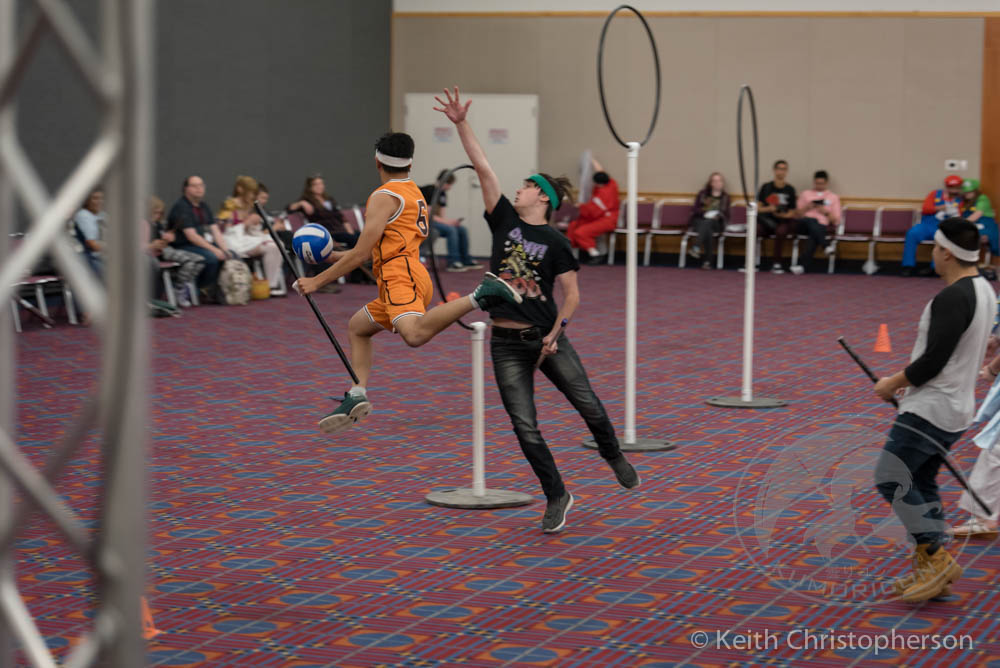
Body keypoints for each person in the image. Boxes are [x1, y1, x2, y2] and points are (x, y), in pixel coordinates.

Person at [435, 86, 639, 534]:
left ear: (543, 197)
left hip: (547, 339)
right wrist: (461, 124)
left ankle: (611, 453)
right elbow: (483, 167)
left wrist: (556, 332)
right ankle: (556, 494)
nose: (519, 189)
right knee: (524, 427)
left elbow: (572, 296)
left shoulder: (557, 242)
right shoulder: (504, 220)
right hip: (505, 342)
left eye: (527, 186)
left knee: (588, 406)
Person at [292, 130, 523, 435]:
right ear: (410, 164)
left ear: (377, 162)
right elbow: (374, 249)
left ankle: (480, 294)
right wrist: (333, 256)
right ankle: (357, 394)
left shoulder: (383, 196)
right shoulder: (413, 192)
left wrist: (316, 281)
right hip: (410, 275)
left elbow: (361, 252)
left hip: (399, 277)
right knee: (358, 327)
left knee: (413, 335)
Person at [872, 217, 997, 602]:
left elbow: (933, 361)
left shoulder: (952, 297)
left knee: (891, 478)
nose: (932, 253)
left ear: (946, 253)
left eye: (935, 247)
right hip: (956, 407)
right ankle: (930, 566)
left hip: (932, 408)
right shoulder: (984, 288)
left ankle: (937, 559)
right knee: (921, 481)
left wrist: (892, 382)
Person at [217, 175, 285, 296]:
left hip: (247, 240)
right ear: (240, 189)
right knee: (271, 245)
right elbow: (223, 230)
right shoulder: (229, 205)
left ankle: (271, 285)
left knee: (276, 245)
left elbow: (252, 231)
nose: (253, 196)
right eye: (251, 192)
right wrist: (245, 224)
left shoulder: (250, 206)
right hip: (232, 242)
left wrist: (254, 224)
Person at [167, 175, 231, 299]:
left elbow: (215, 230)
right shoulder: (182, 207)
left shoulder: (203, 206)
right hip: (182, 245)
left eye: (201, 185)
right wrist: (215, 250)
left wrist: (224, 249)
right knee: (212, 258)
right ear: (186, 189)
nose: (199, 188)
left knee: (228, 255)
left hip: (198, 245)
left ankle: (210, 290)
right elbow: (191, 236)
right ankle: (198, 289)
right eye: (194, 186)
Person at [145, 196, 205, 307]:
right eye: (155, 213)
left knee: (200, 260)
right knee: (188, 262)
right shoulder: (144, 224)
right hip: (158, 253)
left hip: (166, 249)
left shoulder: (158, 225)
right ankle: (179, 287)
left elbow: (162, 239)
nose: (158, 216)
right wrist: (152, 245)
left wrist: (167, 239)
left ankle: (184, 282)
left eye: (160, 213)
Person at [419, 170, 482, 272]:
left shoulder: (443, 194)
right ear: (442, 181)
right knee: (451, 229)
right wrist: (449, 223)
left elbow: (441, 216)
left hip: (436, 222)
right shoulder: (429, 191)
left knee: (462, 229)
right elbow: (428, 215)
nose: (449, 187)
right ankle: (453, 262)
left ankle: (465, 259)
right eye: (448, 184)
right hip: (425, 222)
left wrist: (451, 222)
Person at [901, 175, 964, 277]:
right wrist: (941, 208)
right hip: (927, 224)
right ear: (946, 186)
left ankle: (934, 268)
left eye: (956, 187)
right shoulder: (935, 194)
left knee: (944, 238)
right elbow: (925, 209)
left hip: (945, 226)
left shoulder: (961, 200)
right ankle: (908, 265)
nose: (953, 190)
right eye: (951, 187)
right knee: (912, 233)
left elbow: (960, 216)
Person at [566, 158, 619, 265]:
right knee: (574, 225)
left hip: (606, 220)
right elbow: (601, 171)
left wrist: (580, 206)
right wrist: (591, 159)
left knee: (581, 232)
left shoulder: (600, 195)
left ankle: (595, 254)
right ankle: (569, 253)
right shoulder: (612, 185)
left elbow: (593, 211)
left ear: (597, 183)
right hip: (604, 217)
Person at [791, 170, 841, 274]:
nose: (819, 186)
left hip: (821, 226)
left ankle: (802, 266)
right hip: (803, 225)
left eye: (821, 183)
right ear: (814, 182)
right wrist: (807, 207)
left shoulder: (833, 197)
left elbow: (836, 220)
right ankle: (825, 245)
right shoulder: (805, 194)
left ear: (826, 183)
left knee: (814, 234)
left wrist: (825, 212)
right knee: (812, 221)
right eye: (817, 183)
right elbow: (796, 215)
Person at [756, 160, 798, 274]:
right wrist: (769, 209)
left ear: (787, 171)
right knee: (755, 229)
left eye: (784, 169)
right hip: (766, 221)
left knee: (781, 231)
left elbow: (792, 212)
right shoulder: (766, 187)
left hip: (783, 222)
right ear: (774, 170)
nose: (781, 171)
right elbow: (758, 208)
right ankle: (751, 262)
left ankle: (777, 263)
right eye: (779, 168)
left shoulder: (790, 189)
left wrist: (782, 215)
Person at [687, 172, 730, 270]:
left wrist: (717, 216)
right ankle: (707, 262)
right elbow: (695, 210)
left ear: (722, 183)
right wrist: (705, 213)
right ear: (711, 183)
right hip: (700, 220)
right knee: (708, 228)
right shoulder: (703, 194)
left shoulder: (725, 197)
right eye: (715, 181)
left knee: (708, 223)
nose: (717, 183)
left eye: (719, 180)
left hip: (716, 223)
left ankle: (696, 247)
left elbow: (726, 214)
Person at [960, 178, 998, 279]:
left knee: (972, 238)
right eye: (965, 192)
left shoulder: (982, 199)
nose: (967, 194)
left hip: (986, 226)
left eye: (969, 192)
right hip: (971, 226)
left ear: (975, 191)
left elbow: (976, 215)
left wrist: (959, 224)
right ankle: (966, 266)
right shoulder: (964, 201)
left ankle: (974, 266)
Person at [72, 187, 105, 276]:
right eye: (95, 198)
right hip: (92, 260)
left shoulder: (101, 215)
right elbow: (91, 243)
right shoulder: (83, 215)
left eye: (101, 198)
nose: (99, 201)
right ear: (87, 200)